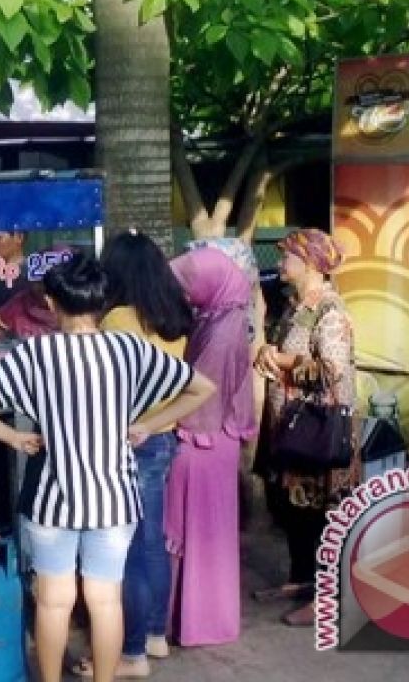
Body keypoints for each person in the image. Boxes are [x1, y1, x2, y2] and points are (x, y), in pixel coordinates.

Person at [0, 254, 215, 682]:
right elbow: (202, 388)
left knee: (54, 601)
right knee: (105, 600)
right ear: (100, 304)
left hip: (55, 500)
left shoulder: (37, 353)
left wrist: (15, 438)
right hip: (114, 498)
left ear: (54, 304)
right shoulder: (128, 349)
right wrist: (147, 425)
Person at [76, 232, 192, 678]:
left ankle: (131, 653)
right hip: (163, 437)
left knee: (130, 554)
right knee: (152, 544)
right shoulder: (172, 315)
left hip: (132, 441)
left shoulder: (119, 320)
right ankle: (155, 635)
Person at [252, 228, 359, 627]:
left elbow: (331, 372)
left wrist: (280, 361)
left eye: (288, 257)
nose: (281, 263)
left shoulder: (330, 312)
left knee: (321, 514)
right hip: (292, 429)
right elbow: (288, 355)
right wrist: (269, 353)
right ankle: (300, 581)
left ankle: (325, 597)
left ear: (311, 263)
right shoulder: (297, 306)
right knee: (295, 509)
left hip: (317, 431)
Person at [162, 246, 257, 647]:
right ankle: (196, 619)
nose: (185, 293)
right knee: (203, 532)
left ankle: (196, 621)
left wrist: (161, 423)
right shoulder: (219, 317)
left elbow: (203, 398)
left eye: (189, 285)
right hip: (213, 439)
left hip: (203, 440)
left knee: (195, 533)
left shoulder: (222, 330)